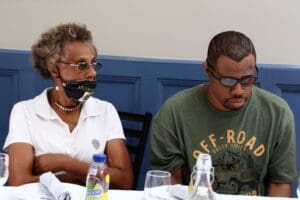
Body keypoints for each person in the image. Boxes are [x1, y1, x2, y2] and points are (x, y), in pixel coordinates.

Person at [150, 31, 297, 196]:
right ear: (207, 70)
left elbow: (279, 185)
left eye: (247, 80)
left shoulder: (277, 113)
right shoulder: (173, 112)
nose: (238, 90)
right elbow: (171, 188)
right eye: (228, 81)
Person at [3, 23, 133, 189]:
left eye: (93, 64)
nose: (92, 72)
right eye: (81, 65)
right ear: (54, 69)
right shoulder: (25, 111)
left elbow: (124, 181)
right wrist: (83, 178)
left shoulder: (105, 110)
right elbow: (19, 181)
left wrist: (64, 164)